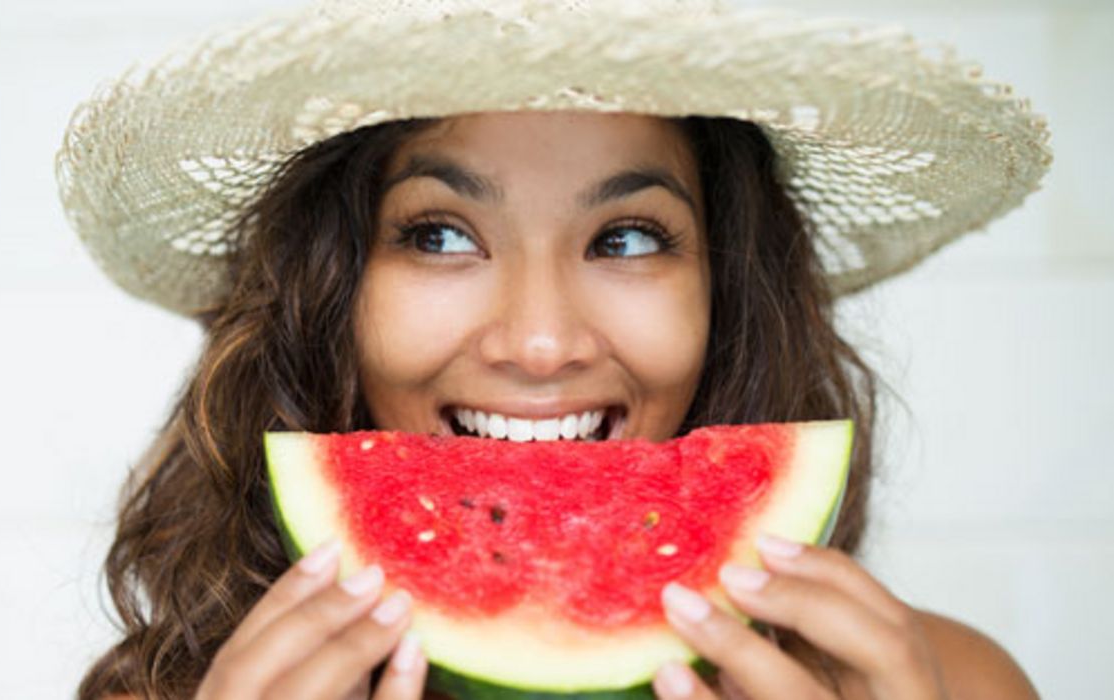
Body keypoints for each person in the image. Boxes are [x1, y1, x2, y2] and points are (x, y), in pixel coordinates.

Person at [56, 1, 1052, 698]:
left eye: (627, 239)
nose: (539, 344)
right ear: (331, 291)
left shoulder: (953, 686)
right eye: (439, 233)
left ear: (728, 286)